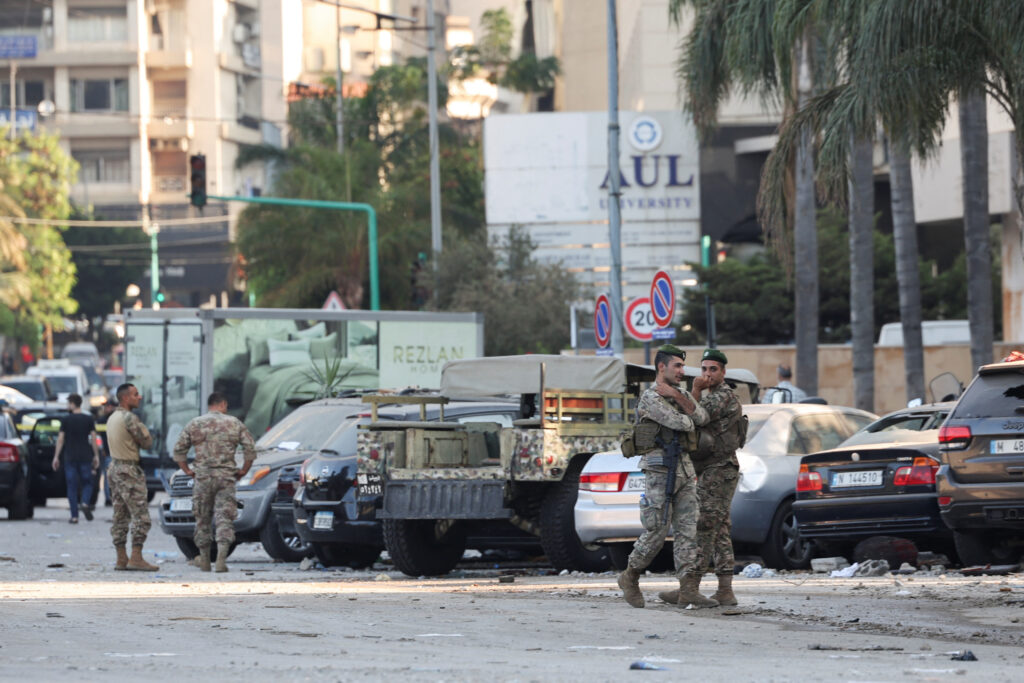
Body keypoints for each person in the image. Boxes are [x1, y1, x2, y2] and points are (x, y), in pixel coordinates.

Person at [618, 344, 715, 609]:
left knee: (688, 531)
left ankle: (687, 590)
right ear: (662, 367)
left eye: (683, 366)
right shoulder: (650, 398)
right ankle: (630, 575)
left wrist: (678, 396)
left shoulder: (678, 393)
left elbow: (703, 417)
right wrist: (687, 410)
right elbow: (683, 423)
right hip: (660, 469)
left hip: (684, 467)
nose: (682, 371)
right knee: (657, 530)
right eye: (677, 366)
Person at [660, 348, 743, 607]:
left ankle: (689, 588)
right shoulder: (716, 395)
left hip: (719, 469)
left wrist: (692, 390)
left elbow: (694, 416)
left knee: (705, 527)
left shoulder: (722, 397)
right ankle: (725, 590)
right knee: (719, 530)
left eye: (713, 370)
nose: (707, 374)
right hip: (713, 469)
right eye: (704, 369)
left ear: (723, 373)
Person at [173, 392, 256, 573]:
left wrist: (188, 471)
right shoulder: (235, 423)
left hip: (202, 478)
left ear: (209, 405)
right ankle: (220, 560)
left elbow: (179, 450)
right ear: (223, 404)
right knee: (224, 517)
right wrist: (243, 471)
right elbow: (250, 450)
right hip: (226, 478)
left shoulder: (195, 423)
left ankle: (203, 559)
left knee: (202, 518)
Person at [106, 383, 157, 571]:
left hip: (114, 468)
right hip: (128, 470)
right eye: (136, 394)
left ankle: (121, 558)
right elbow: (147, 443)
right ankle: (136, 556)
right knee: (141, 516)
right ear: (126, 398)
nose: (139, 397)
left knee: (120, 515)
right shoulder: (129, 418)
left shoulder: (112, 417)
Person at [51, 393, 101, 524]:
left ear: (73, 404)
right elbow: (93, 439)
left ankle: (74, 516)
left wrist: (56, 457)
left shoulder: (66, 420)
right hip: (85, 456)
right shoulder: (88, 419)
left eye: (68, 403)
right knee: (88, 483)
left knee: (72, 486)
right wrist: (96, 455)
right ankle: (85, 502)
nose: (67, 406)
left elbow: (61, 439)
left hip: (70, 457)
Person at [96, 397, 117, 507]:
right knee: (107, 477)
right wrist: (101, 449)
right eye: (105, 406)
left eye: (108, 406)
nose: (106, 408)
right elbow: (98, 437)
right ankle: (108, 498)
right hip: (107, 453)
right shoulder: (101, 420)